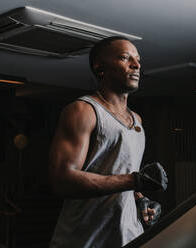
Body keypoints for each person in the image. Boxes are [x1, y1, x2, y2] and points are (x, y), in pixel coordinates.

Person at [48, 36, 168, 248]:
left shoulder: (137, 120)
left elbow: (124, 172)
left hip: (128, 235)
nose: (136, 65)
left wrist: (140, 200)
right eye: (125, 58)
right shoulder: (83, 111)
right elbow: (62, 179)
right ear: (100, 67)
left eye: (138, 59)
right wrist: (134, 181)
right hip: (85, 239)